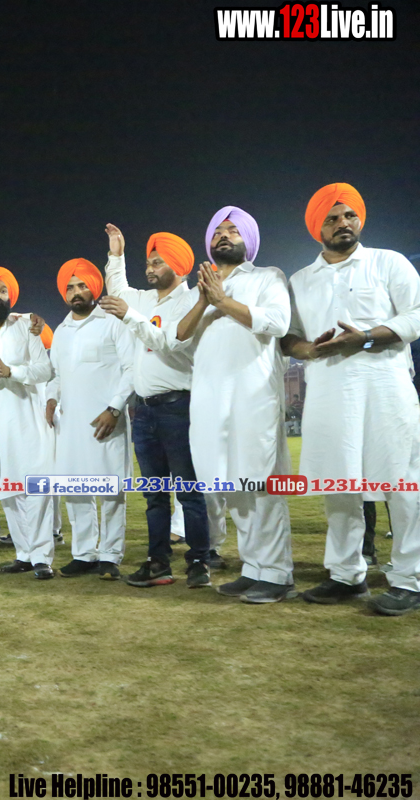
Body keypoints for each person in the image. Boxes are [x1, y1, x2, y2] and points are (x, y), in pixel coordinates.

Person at [282, 183, 420, 615]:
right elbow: (288, 337)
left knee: (401, 482)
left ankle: (410, 578)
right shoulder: (300, 280)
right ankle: (346, 575)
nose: (343, 223)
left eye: (349, 216)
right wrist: (309, 349)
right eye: (332, 218)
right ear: (317, 228)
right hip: (328, 389)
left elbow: (416, 315)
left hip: (386, 386)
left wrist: (365, 338)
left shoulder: (387, 262)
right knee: (337, 484)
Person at [176, 206, 294, 604]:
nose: (224, 235)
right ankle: (253, 568)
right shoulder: (201, 291)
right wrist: (205, 301)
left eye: (233, 230)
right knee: (231, 486)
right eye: (217, 231)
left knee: (261, 485)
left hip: (253, 396)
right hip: (210, 400)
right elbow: (179, 340)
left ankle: (276, 574)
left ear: (249, 240)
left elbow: (278, 323)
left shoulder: (267, 277)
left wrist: (222, 302)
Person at [98, 226, 213, 589]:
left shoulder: (192, 301)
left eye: (157, 262)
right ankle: (159, 561)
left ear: (178, 265)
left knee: (189, 491)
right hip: (144, 411)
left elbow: (168, 342)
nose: (149, 269)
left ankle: (199, 561)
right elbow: (117, 290)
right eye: (148, 262)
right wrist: (116, 254)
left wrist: (130, 317)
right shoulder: (145, 300)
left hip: (179, 408)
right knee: (154, 494)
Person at [46, 258, 135, 580]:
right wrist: (51, 398)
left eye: (82, 285)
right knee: (76, 490)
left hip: (106, 423)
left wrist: (115, 409)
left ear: (94, 288)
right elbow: (56, 374)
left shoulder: (112, 322)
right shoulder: (61, 331)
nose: (76, 292)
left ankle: (110, 555)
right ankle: (84, 554)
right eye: (70, 287)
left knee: (111, 492)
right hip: (70, 425)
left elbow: (132, 368)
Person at [0, 267, 57, 580]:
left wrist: (13, 372)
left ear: (11, 297)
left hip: (29, 418)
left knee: (36, 488)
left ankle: (42, 557)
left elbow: (44, 370)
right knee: (6, 490)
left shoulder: (25, 326)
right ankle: (24, 554)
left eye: (3, 291)